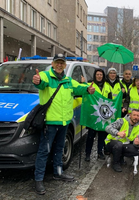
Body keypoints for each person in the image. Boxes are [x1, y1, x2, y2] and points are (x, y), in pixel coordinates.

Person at [32, 53, 95, 195]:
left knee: (60, 149)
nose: (60, 65)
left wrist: (88, 89)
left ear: (65, 65)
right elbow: (40, 82)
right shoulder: (46, 76)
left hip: (64, 121)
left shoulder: (68, 80)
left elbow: (79, 88)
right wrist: (36, 80)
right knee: (44, 151)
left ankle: (58, 172)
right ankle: (38, 179)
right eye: (57, 63)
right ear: (53, 64)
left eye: (62, 63)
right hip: (50, 122)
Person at [85, 68, 111, 162]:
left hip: (103, 115)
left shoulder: (107, 86)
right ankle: (88, 153)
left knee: (102, 136)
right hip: (93, 115)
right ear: (95, 75)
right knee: (91, 136)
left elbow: (110, 100)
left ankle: (100, 152)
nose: (99, 76)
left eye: (101, 74)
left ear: (103, 76)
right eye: (97, 74)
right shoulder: (89, 85)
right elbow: (85, 97)